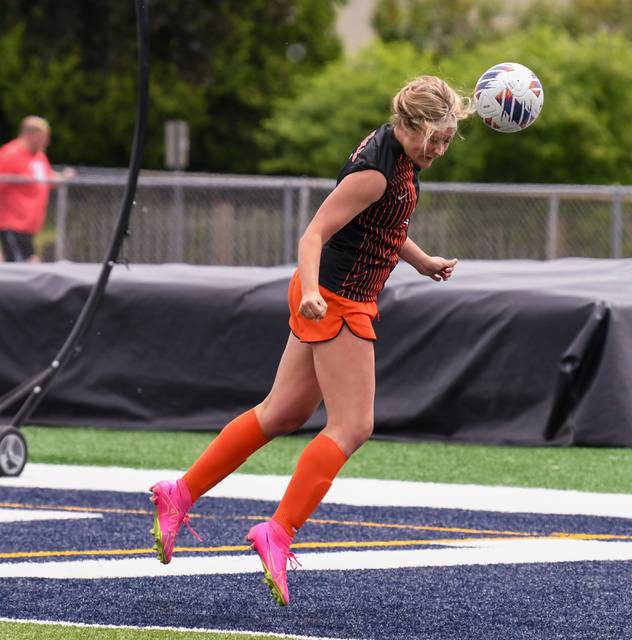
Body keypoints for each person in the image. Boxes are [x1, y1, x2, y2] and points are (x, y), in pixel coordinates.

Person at [148, 75, 474, 605]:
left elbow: (384, 226)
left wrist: (422, 261)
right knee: (354, 425)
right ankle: (278, 531)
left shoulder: (396, 152)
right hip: (337, 297)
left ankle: (179, 492)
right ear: (409, 125)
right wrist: (311, 296)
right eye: (433, 137)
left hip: (330, 290)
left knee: (280, 413)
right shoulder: (376, 172)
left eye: (447, 139)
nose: (439, 149)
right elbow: (314, 233)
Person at [0, 116, 75, 263]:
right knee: (25, 267)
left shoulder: (39, 156)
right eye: (43, 137)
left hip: (30, 225)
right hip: (12, 224)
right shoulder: (10, 155)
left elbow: (47, 178)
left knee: (30, 263)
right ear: (30, 134)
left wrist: (63, 177)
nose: (46, 142)